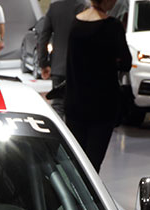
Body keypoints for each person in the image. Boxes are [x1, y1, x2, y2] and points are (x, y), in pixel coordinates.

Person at [63, 0, 131, 171]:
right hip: (101, 106)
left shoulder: (75, 23)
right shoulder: (112, 26)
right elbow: (126, 63)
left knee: (76, 163)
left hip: (75, 103)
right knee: (93, 164)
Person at [39, 0, 85, 116]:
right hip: (79, 68)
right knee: (78, 106)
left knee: (58, 105)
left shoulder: (54, 7)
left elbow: (43, 37)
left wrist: (43, 63)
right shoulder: (84, 6)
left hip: (58, 68)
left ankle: (58, 128)